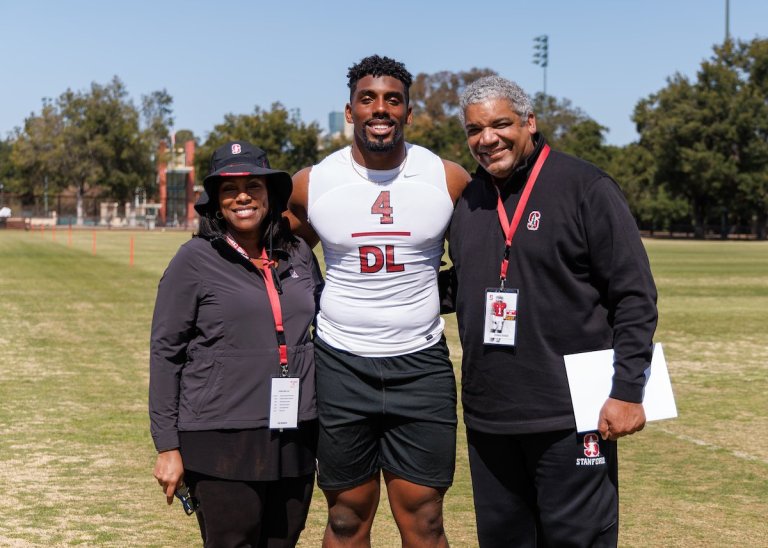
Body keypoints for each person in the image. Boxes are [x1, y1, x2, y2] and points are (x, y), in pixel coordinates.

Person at [446, 76, 658, 547]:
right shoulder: (470, 200)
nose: (487, 139)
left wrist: (628, 390)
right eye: (474, 130)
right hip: (490, 419)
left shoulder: (585, 186)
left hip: (572, 415)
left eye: (500, 124)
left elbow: (634, 295)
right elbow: (463, 286)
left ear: (529, 123)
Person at [286, 54, 470, 547]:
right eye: (368, 99)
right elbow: (280, 254)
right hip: (341, 364)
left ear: (409, 112)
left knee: (426, 518)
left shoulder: (446, 178)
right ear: (350, 112)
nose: (380, 109)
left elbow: (484, 254)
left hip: (421, 364)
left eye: (393, 100)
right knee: (347, 516)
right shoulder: (313, 183)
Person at [149, 140, 322, 547]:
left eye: (253, 186)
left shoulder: (297, 254)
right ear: (216, 200)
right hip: (219, 436)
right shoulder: (194, 259)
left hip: (295, 431)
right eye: (229, 188)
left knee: (284, 541)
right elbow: (165, 352)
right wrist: (167, 446)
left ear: (270, 194)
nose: (242, 196)